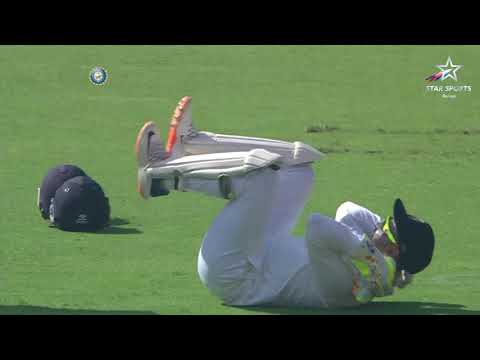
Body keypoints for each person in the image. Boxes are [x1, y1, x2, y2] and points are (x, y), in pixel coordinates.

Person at [134, 96, 435, 308]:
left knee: (261, 177)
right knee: (301, 167)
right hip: (261, 249)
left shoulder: (350, 288)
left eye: (389, 227)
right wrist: (383, 262)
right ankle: (193, 144)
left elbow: (318, 227)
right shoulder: (367, 262)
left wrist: (373, 259)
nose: (381, 224)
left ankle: (162, 177)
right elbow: (348, 211)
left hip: (233, 274)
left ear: (394, 248)